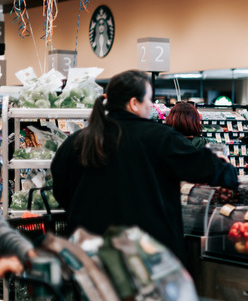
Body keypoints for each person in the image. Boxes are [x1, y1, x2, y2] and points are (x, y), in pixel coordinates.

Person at [51, 70, 238, 261]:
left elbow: (61, 190)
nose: (151, 106)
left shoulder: (78, 140)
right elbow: (204, 168)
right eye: (149, 100)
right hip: (146, 256)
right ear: (134, 103)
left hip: (89, 254)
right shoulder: (160, 138)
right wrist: (226, 168)